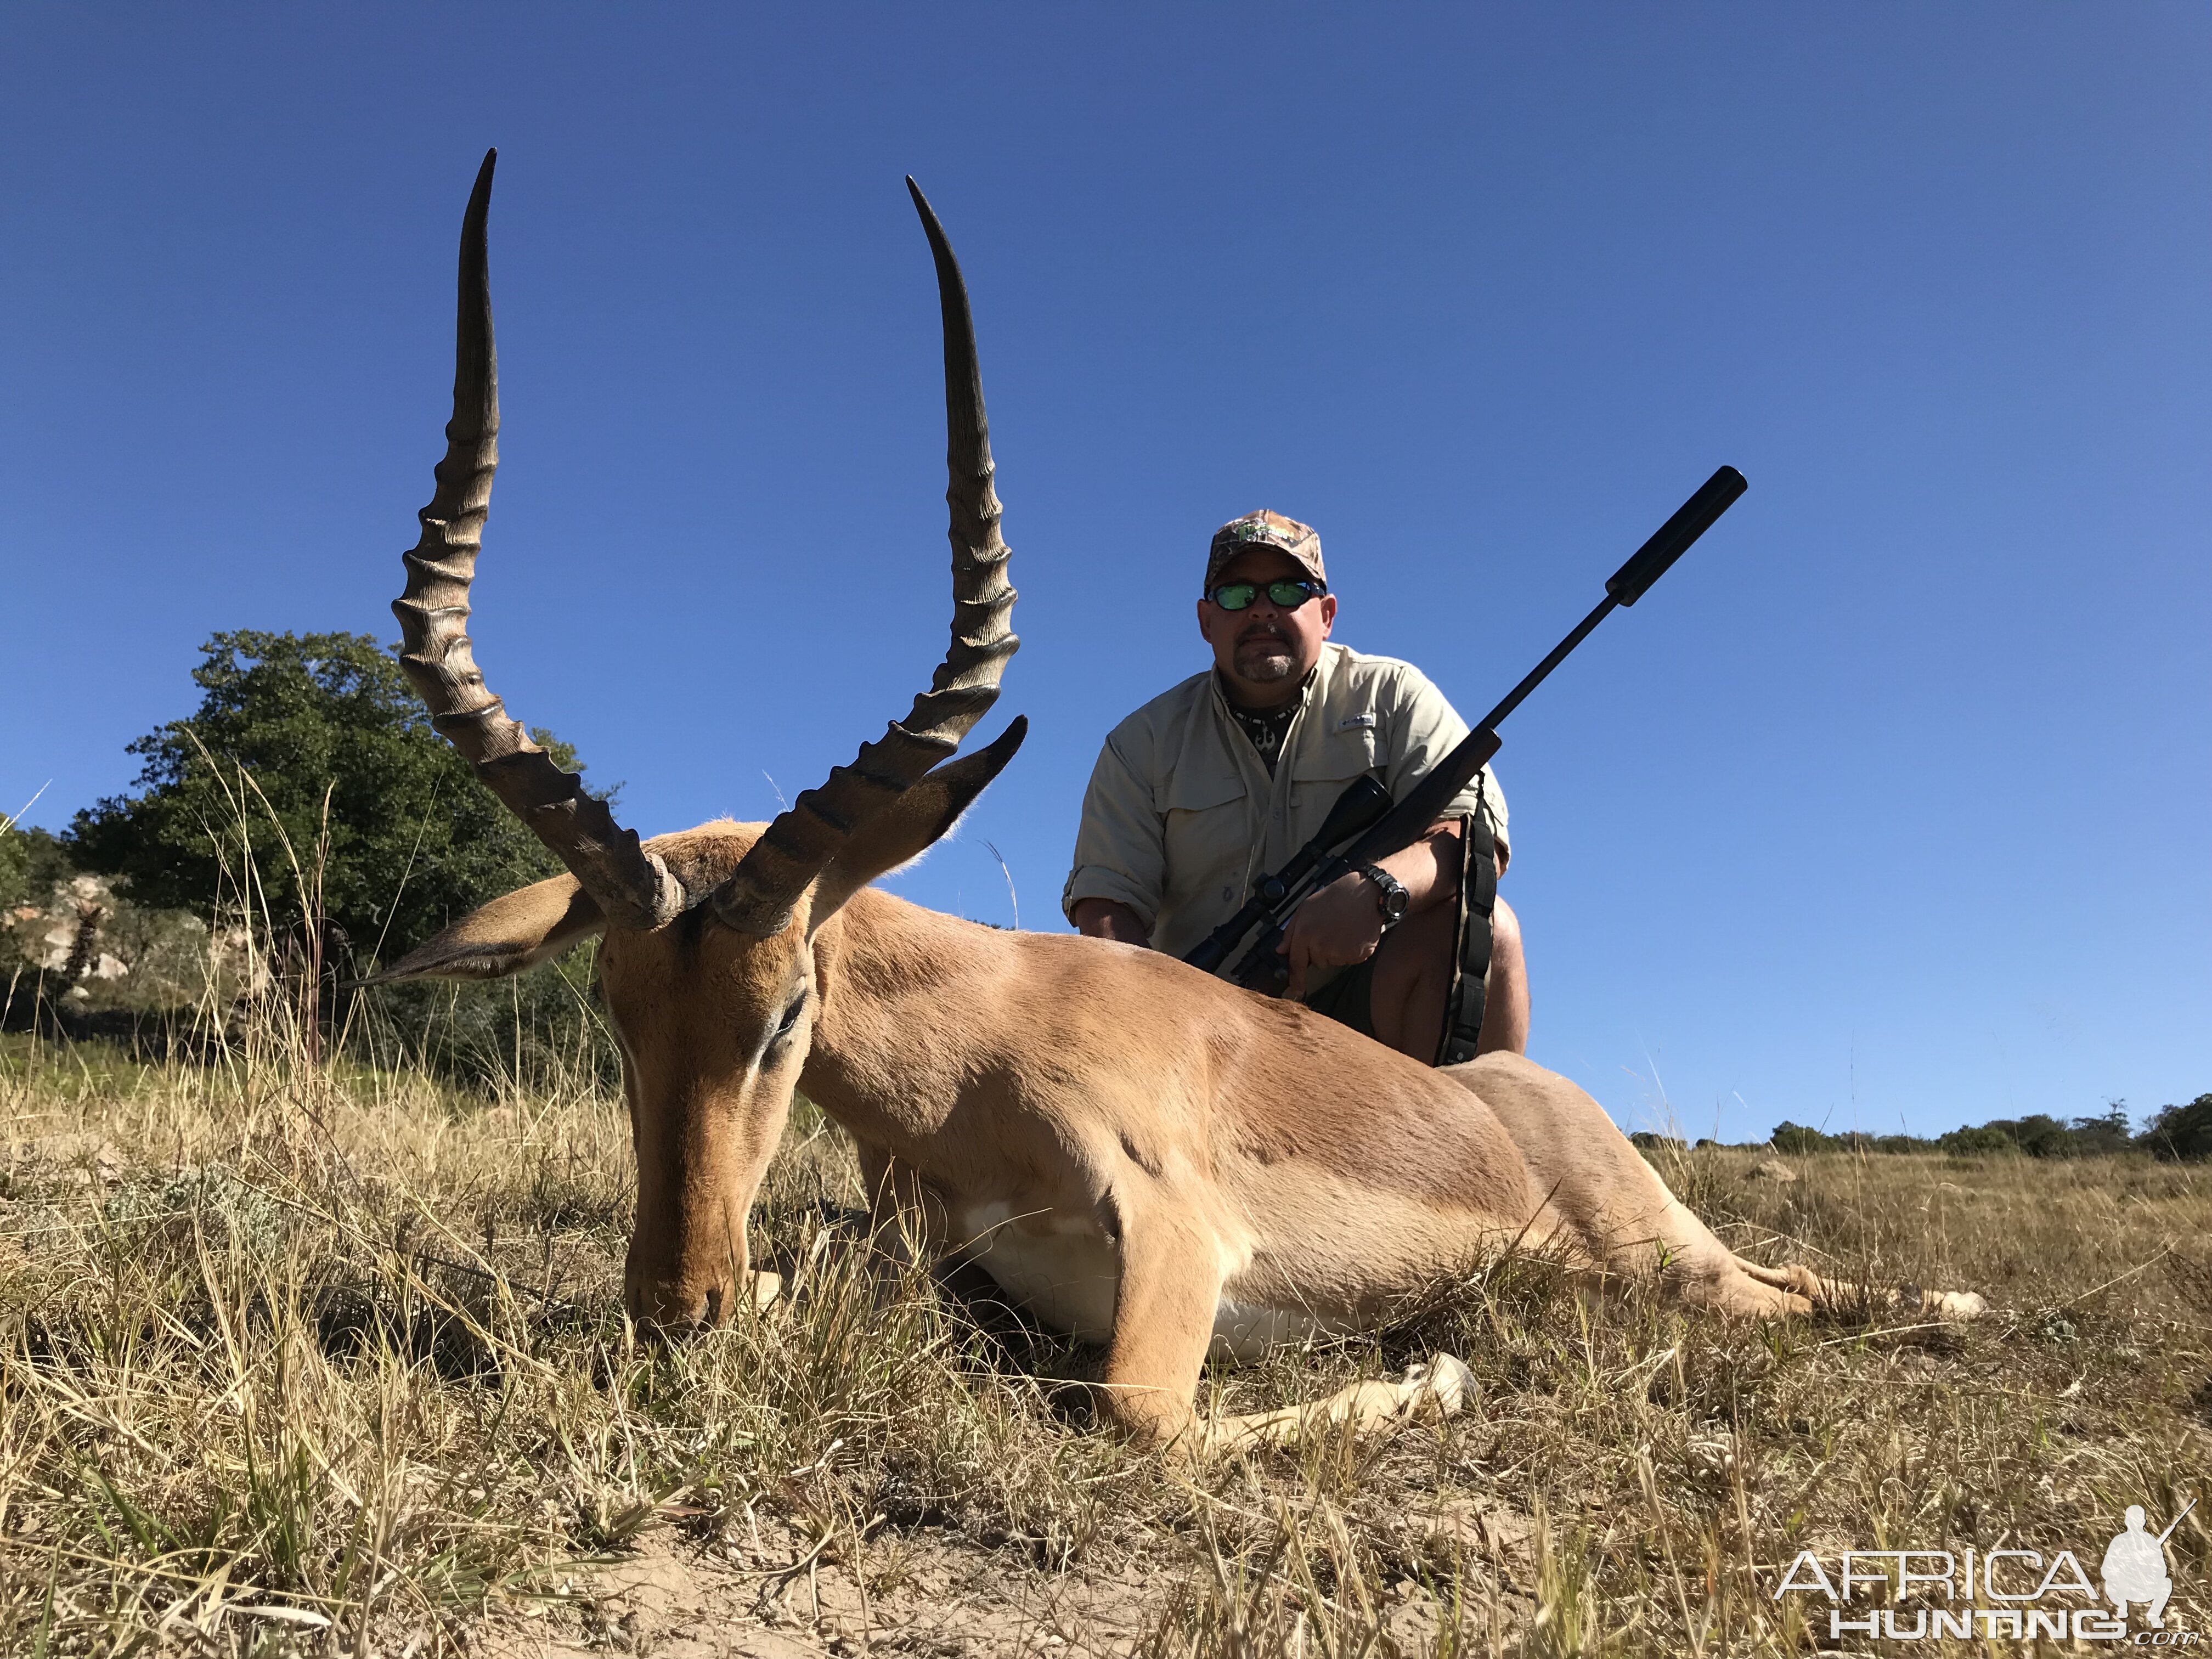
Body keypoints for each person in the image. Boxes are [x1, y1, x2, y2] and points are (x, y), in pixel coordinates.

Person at [1063, 509, 1530, 1062]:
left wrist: (1378, 892)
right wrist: (1159, 1021)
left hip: (1369, 1002)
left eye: (1289, 590)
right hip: (1199, 1029)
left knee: (1489, 930)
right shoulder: (1141, 742)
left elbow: (1475, 841)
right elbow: (1106, 907)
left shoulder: (1394, 695)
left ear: (1327, 615)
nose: (1262, 609)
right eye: (1237, 594)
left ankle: (1480, 1142)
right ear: (1206, 621)